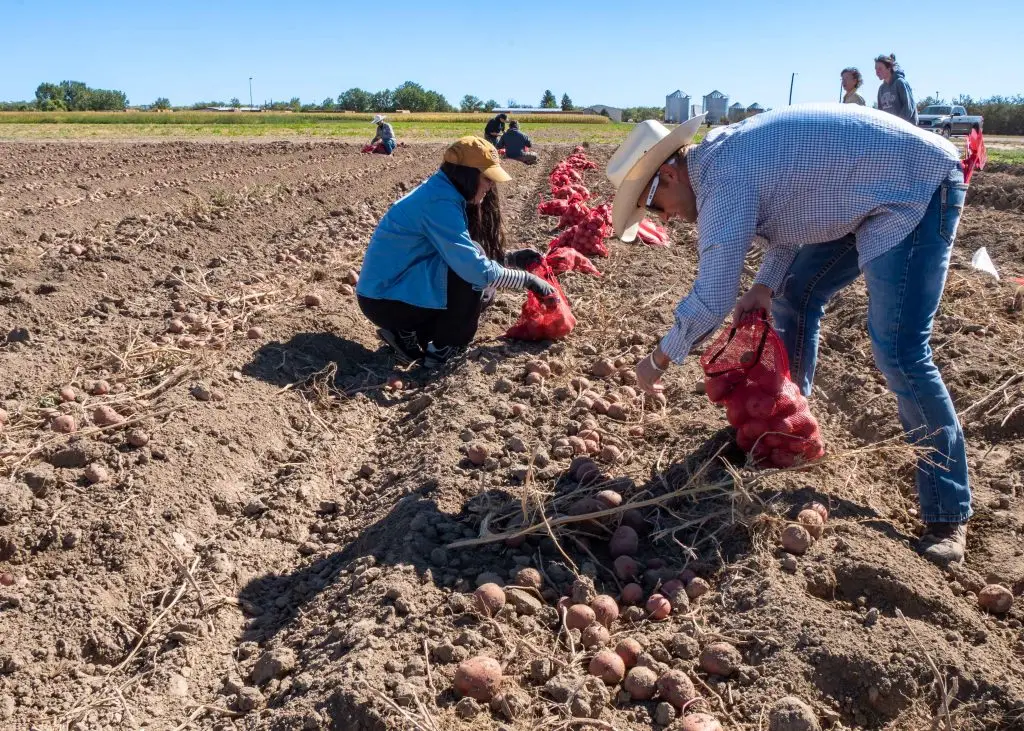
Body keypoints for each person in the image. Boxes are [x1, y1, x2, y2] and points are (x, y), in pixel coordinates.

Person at [605, 105, 970, 565]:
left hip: (917, 187)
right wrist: (763, 288)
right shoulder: (727, 163)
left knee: (899, 348)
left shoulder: (723, 180)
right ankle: (785, 431)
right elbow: (791, 219)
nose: (669, 220)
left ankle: (947, 512)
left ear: (670, 176)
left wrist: (659, 357)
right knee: (793, 297)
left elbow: (714, 295)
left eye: (656, 207)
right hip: (862, 197)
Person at [357, 136, 554, 368]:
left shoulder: (443, 192)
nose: (491, 186)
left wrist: (508, 258)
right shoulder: (439, 203)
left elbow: (459, 252)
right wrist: (527, 280)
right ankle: (442, 350)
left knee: (485, 286)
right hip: (385, 299)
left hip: (390, 291)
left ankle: (404, 333)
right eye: (487, 179)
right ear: (467, 174)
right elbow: (473, 268)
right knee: (476, 281)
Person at [874, 54, 918, 125]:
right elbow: (881, 112)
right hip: (890, 130)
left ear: (889, 68)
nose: (877, 72)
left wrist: (897, 125)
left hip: (906, 129)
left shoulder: (900, 83)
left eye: (880, 68)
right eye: (875, 69)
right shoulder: (881, 89)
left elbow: (909, 107)